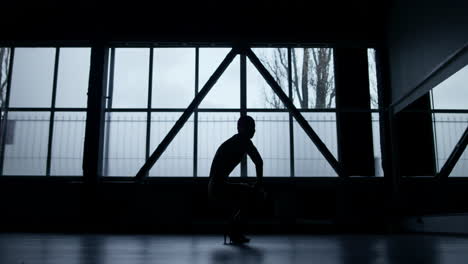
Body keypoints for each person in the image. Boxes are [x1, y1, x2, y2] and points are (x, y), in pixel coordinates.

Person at [208, 115, 265, 244]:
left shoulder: (235, 141)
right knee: (254, 194)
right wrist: (259, 184)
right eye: (251, 127)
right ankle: (234, 230)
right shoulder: (243, 141)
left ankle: (234, 229)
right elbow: (259, 162)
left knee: (247, 192)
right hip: (218, 187)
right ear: (241, 128)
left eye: (254, 128)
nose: (253, 130)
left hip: (215, 186)